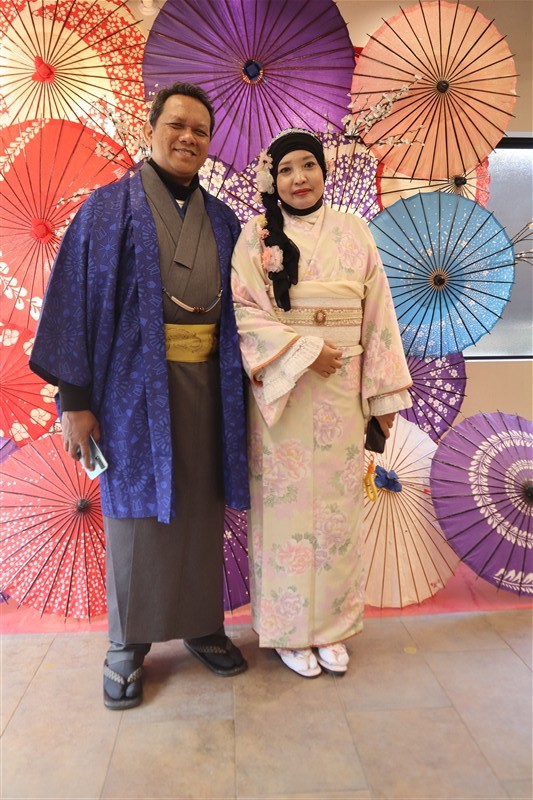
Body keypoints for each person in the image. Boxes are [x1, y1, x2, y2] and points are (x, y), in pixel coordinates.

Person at [29, 83, 250, 708]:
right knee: (135, 513)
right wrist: (76, 401)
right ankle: (126, 642)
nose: (188, 138)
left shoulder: (224, 220)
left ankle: (202, 624)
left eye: (200, 131)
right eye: (177, 124)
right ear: (151, 128)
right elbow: (71, 304)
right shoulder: (106, 210)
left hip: (211, 384)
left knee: (202, 505)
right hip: (130, 388)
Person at [231, 129, 412, 678]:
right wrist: (305, 350)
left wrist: (381, 392)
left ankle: (331, 627)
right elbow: (244, 310)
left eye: (308, 165)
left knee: (337, 513)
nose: (299, 179)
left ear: (324, 171)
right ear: (273, 179)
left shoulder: (355, 230)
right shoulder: (256, 235)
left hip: (341, 389)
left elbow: (378, 313)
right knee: (284, 512)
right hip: (283, 394)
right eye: (286, 170)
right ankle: (289, 630)